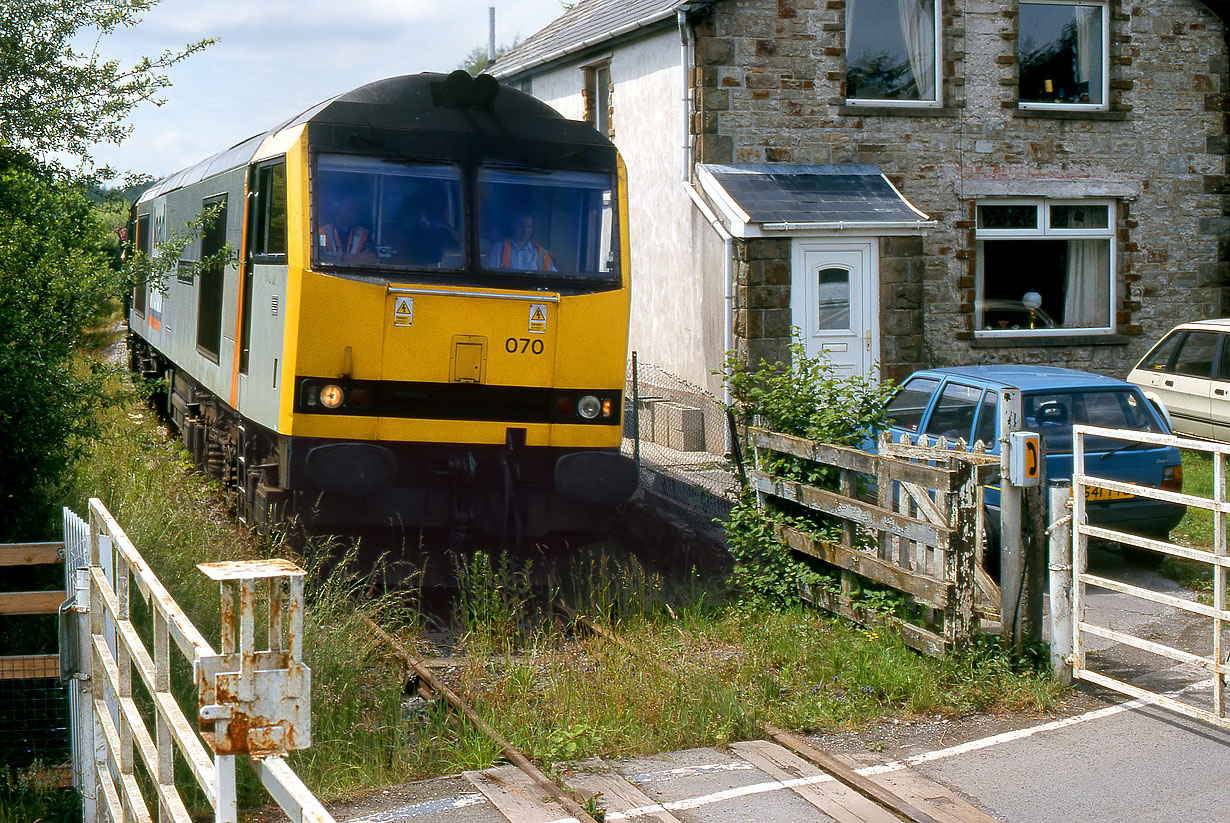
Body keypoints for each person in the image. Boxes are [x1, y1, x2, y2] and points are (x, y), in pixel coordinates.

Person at [487, 213, 556, 271]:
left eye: (529, 226)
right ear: (513, 226)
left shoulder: (541, 253)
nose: (525, 230)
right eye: (521, 226)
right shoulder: (499, 249)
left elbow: (552, 276)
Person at [318, 188, 372, 260]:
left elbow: (371, 258)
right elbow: (321, 257)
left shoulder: (364, 234)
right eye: (350, 210)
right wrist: (352, 258)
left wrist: (340, 258)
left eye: (356, 210)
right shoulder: (322, 233)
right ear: (337, 210)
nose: (355, 213)